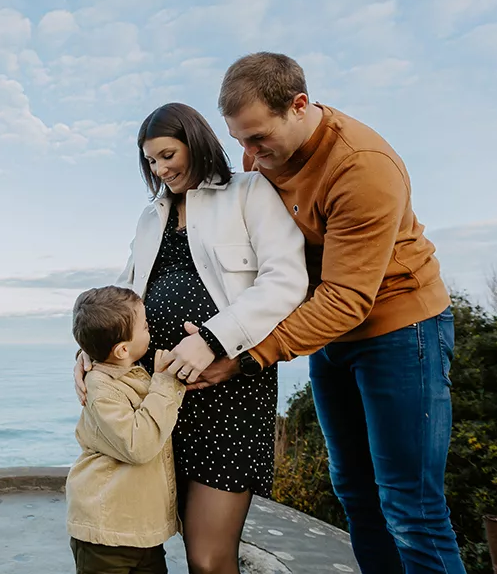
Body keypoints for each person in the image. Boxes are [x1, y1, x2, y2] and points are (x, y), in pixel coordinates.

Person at [195, 51, 464, 574]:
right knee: (356, 496)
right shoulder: (262, 157)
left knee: (412, 509)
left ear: (299, 105)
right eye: (240, 141)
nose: (248, 155)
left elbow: (348, 297)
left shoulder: (362, 165)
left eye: (257, 138)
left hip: (401, 327)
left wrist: (248, 356)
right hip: (330, 334)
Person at [73, 102, 309, 574]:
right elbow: (124, 290)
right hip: (155, 395)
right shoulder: (150, 216)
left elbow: (286, 280)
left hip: (227, 392)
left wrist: (211, 339)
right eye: (151, 162)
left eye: (167, 155)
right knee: (149, 541)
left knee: (208, 556)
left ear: (194, 142)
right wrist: (89, 349)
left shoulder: (249, 191)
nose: (161, 169)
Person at [66, 286, 183, 574]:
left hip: (140, 532)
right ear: (122, 350)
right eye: (144, 325)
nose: (150, 328)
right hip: (107, 534)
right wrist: (165, 382)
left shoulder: (129, 371)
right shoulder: (102, 390)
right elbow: (139, 444)